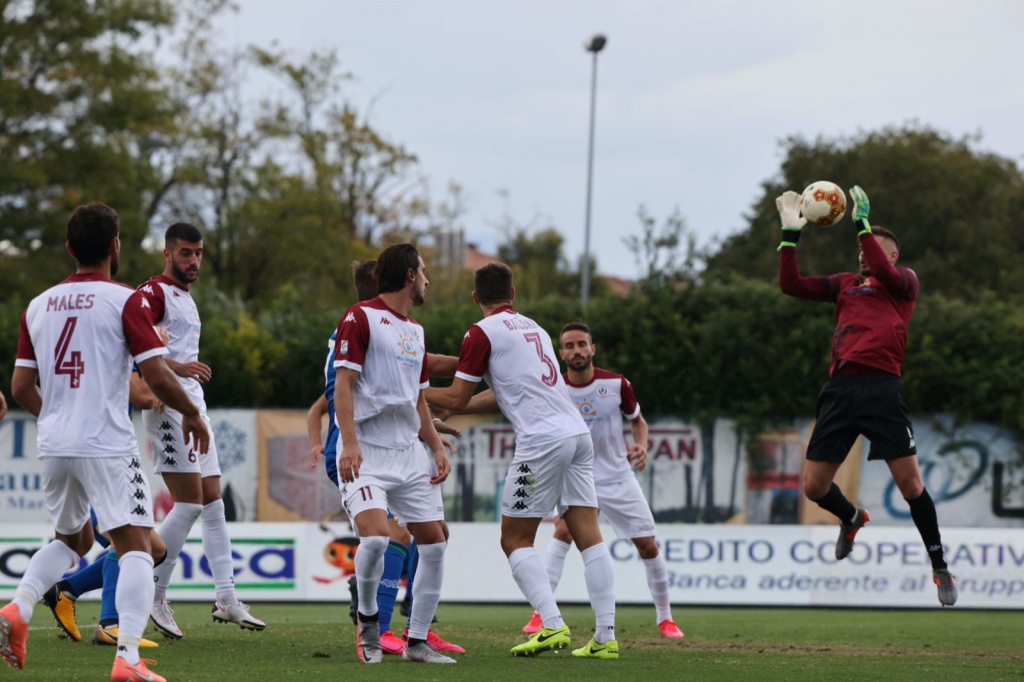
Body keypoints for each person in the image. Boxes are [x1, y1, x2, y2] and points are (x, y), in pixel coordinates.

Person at [0, 201, 209, 682]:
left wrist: (55, 415)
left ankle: (20, 605)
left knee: (75, 539)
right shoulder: (126, 300)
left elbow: (19, 388)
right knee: (138, 546)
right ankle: (129, 659)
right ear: (116, 247)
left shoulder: (37, 305)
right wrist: (192, 412)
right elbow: (155, 373)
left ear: (70, 247)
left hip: (55, 443)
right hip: (107, 443)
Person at [425, 262, 619, 660]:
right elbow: (500, 393)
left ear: (475, 297)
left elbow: (458, 396)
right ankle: (605, 638)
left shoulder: (480, 332)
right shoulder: (535, 328)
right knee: (589, 535)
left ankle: (551, 625)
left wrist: (411, 398)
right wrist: (451, 408)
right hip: (577, 434)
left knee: (514, 539)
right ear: (513, 295)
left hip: (542, 440)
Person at [777, 184, 957, 606]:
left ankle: (939, 566)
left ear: (891, 255)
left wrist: (861, 224)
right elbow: (792, 285)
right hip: (840, 391)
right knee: (813, 486)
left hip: (882, 390)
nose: (863, 253)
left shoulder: (903, 282)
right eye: (862, 246)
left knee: (911, 485)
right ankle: (852, 517)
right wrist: (790, 236)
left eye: (872, 248)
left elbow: (885, 268)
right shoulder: (845, 284)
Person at [306, 258, 463, 657]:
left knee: (435, 542)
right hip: (367, 452)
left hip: (408, 452)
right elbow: (341, 386)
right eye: (425, 272)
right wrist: (352, 443)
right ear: (410, 276)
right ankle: (369, 623)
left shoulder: (416, 330)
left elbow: (418, 398)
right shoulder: (359, 318)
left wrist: (434, 445)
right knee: (376, 537)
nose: (428, 279)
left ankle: (417, 640)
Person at [514, 322, 685, 639]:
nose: (576, 350)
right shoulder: (554, 388)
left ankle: (666, 618)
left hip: (618, 476)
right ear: (561, 353)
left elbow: (638, 422)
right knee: (563, 532)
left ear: (593, 349)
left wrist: (642, 446)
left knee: (648, 546)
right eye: (569, 346)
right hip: (576, 475)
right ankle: (540, 614)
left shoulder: (618, 384)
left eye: (582, 344)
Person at [136, 222, 266, 638]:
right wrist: (175, 370)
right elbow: (137, 349)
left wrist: (183, 373)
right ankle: (153, 595)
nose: (194, 261)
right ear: (167, 253)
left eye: (199, 253)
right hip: (168, 405)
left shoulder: (186, 299)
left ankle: (226, 597)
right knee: (189, 503)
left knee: (213, 500)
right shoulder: (152, 293)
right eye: (186, 253)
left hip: (193, 404)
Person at [43, 366, 170, 648]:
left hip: (94, 456)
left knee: (156, 550)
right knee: (121, 540)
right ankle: (109, 623)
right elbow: (142, 396)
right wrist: (161, 383)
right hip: (100, 459)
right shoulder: (118, 343)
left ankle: (66, 590)